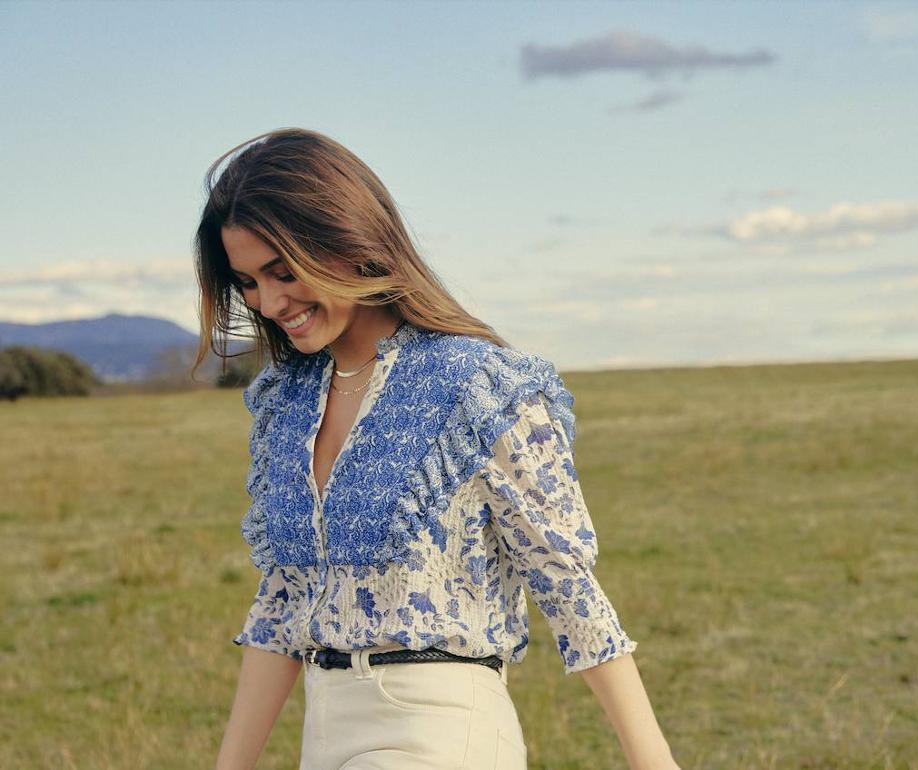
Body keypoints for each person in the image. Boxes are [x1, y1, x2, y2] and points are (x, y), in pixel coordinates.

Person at [193, 128, 680, 770]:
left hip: (440, 728)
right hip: (325, 730)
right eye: (249, 282)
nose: (271, 301)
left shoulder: (481, 386)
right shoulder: (284, 401)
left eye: (284, 271)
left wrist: (654, 761)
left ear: (348, 239)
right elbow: (282, 602)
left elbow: (566, 584)